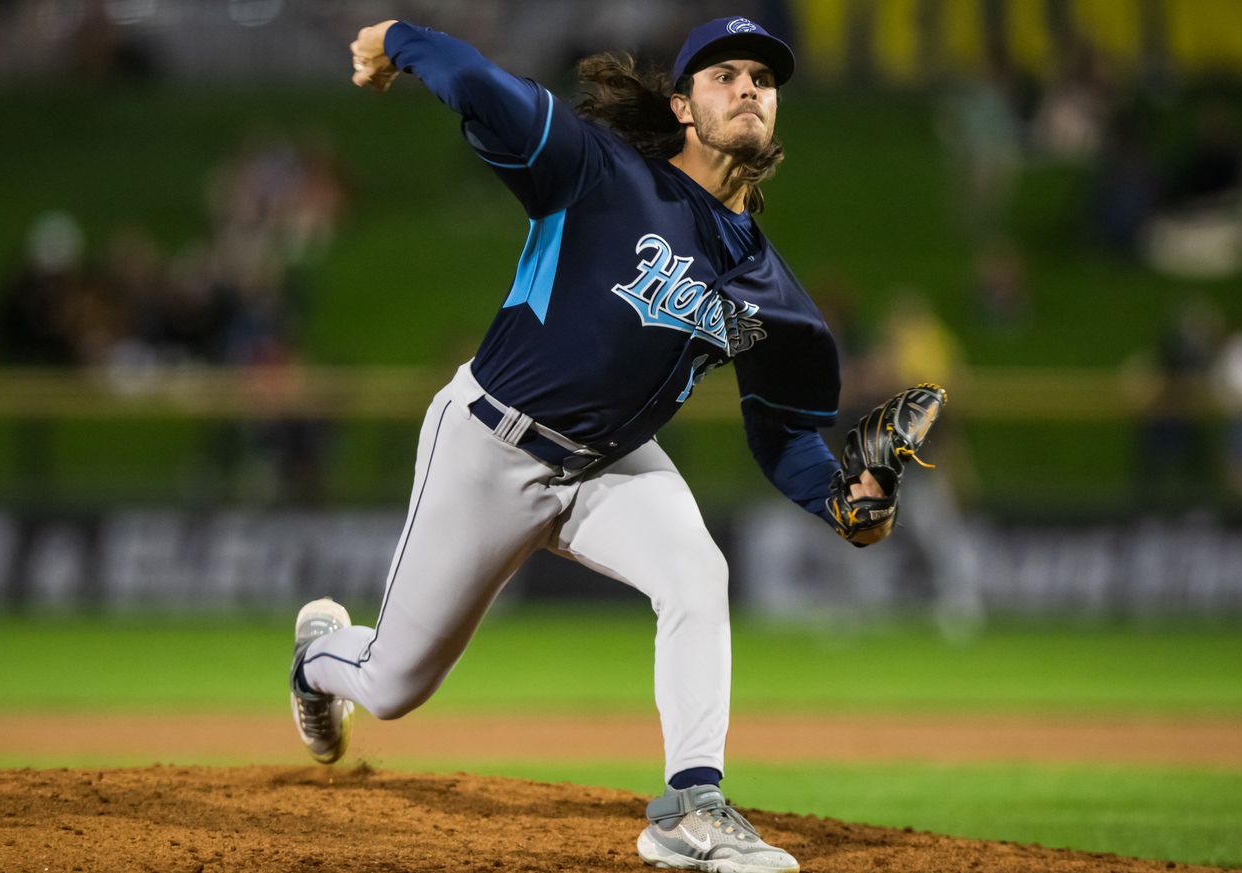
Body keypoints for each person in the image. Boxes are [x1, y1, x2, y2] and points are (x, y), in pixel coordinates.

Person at [291, 15, 889, 873]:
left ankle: (692, 804)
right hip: (490, 447)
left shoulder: (776, 296)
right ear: (683, 105)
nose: (750, 87)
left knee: (698, 571)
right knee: (392, 685)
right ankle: (318, 658)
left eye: (762, 75)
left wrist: (845, 501)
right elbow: (483, 84)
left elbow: (788, 434)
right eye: (725, 75)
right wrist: (401, 37)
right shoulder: (600, 175)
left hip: (610, 463)